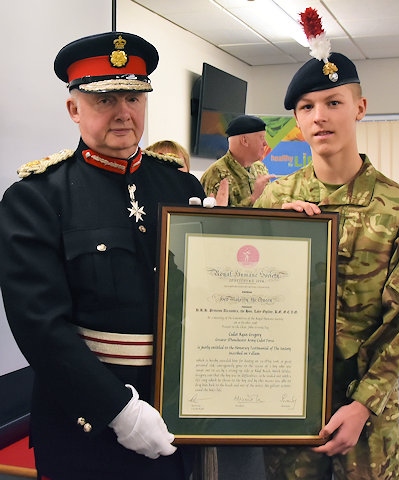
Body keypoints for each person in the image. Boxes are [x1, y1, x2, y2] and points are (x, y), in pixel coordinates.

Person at [0, 31, 207, 480]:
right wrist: (117, 410)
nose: (123, 112)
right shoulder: (35, 197)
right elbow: (40, 326)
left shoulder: (182, 187)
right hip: (87, 425)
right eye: (104, 99)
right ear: (74, 109)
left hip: (179, 412)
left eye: (134, 97)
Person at [254, 12, 399, 480]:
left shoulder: (397, 206)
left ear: (360, 107)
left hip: (366, 410)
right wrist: (270, 232)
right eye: (307, 107)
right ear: (296, 119)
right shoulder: (275, 198)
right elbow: (246, 294)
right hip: (290, 399)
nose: (320, 116)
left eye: (333, 102)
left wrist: (362, 404)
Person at [200, 114, 274, 207]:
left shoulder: (260, 168)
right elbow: (213, 218)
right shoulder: (216, 174)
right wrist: (253, 199)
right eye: (261, 138)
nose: (265, 143)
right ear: (244, 141)